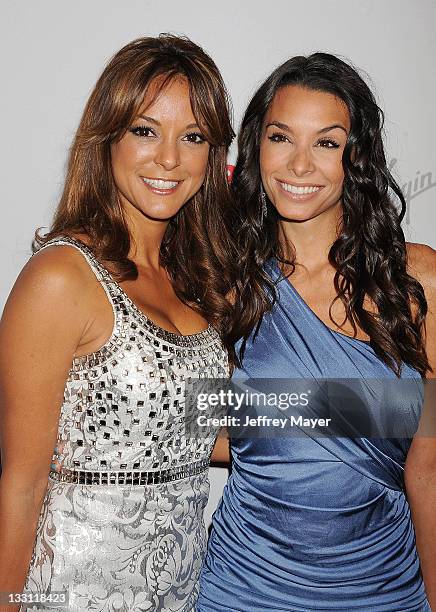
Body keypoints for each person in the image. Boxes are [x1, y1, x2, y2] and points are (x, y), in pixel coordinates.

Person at [0, 34, 236, 612]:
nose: (169, 159)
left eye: (194, 137)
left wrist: (399, 408)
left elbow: (219, 432)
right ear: (107, 137)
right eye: (145, 130)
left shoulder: (198, 284)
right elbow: (20, 484)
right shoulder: (61, 277)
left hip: (182, 596)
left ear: (214, 156)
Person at [198, 53, 436, 611]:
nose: (300, 165)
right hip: (243, 586)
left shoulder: (418, 279)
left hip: (384, 589)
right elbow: (202, 426)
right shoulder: (224, 281)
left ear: (355, 158)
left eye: (326, 143)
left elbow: (429, 468)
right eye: (282, 137)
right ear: (256, 147)